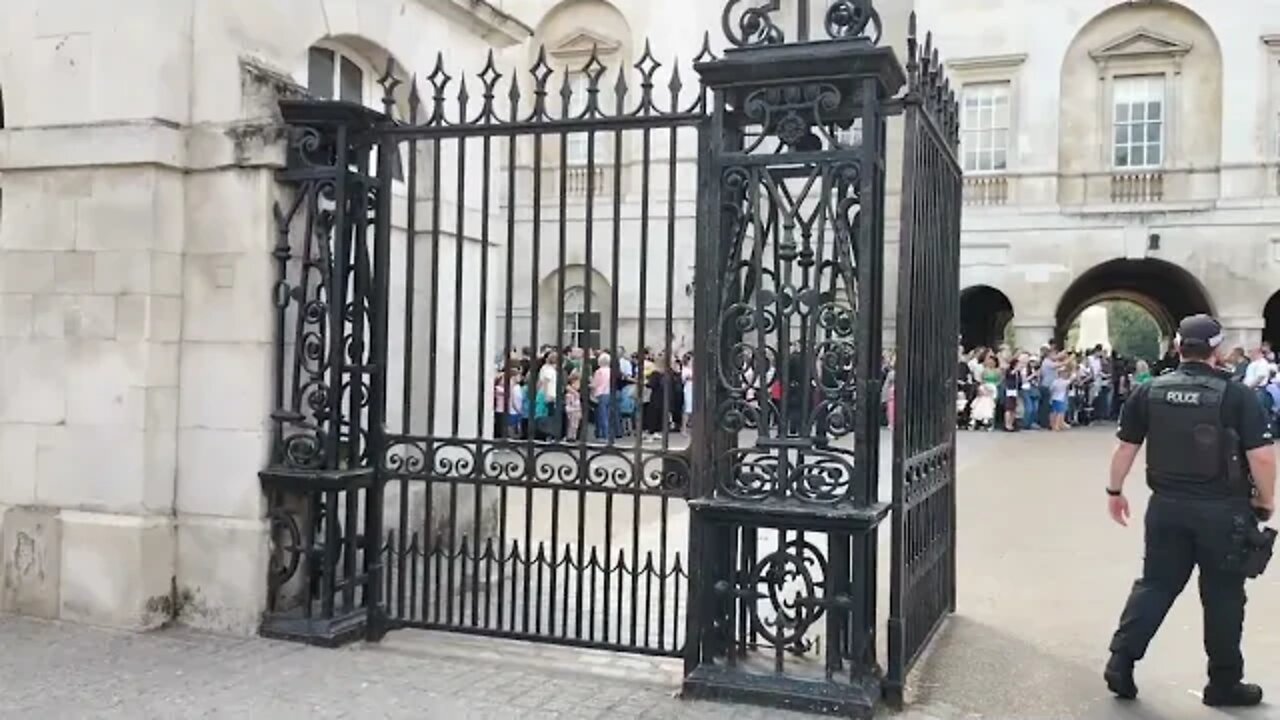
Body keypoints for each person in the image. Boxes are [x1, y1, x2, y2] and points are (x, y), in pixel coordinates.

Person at [1103, 314, 1276, 707]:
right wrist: (1265, 501)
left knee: (1155, 585)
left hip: (1166, 507)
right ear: (1216, 349)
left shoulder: (1150, 391)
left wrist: (1115, 490)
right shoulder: (1236, 396)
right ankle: (1224, 683)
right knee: (1223, 595)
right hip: (1223, 510)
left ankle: (1121, 659)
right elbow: (1263, 458)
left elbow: (1125, 447)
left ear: (1178, 346)